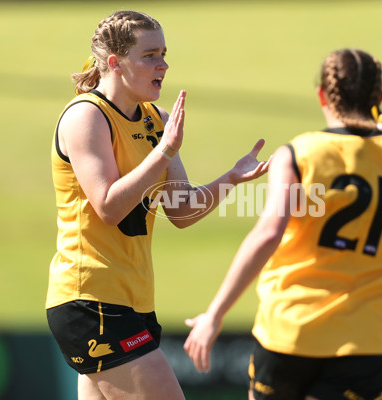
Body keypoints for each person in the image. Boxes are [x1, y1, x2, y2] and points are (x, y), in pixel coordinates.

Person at [184, 48, 382, 400]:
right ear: (378, 98)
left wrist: (215, 314)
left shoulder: (298, 153)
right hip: (364, 341)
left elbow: (267, 234)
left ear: (322, 94)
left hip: (289, 332)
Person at [45, 10, 269, 400]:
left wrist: (230, 178)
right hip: (92, 299)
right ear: (114, 63)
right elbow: (109, 206)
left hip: (133, 300)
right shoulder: (87, 116)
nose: (163, 65)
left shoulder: (155, 119)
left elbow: (181, 210)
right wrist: (164, 151)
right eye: (149, 55)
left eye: (164, 53)